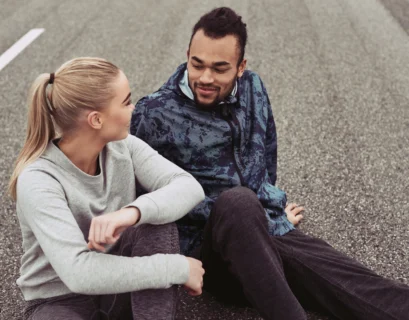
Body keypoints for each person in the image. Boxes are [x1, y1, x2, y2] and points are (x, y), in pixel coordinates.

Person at [130, 7, 409, 320]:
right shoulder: (153, 114)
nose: (205, 78)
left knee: (353, 284)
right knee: (238, 202)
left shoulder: (253, 88)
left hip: (260, 229)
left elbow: (267, 153)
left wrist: (269, 210)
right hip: (209, 256)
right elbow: (138, 196)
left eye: (220, 69)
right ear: (188, 55)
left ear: (240, 67)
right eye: (197, 65)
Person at [9, 57, 206, 320]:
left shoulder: (124, 147)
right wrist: (175, 267)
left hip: (118, 288)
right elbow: (78, 273)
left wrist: (133, 212)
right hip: (58, 301)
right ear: (96, 119)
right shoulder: (38, 179)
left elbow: (189, 187)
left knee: (158, 222)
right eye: (126, 102)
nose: (133, 108)